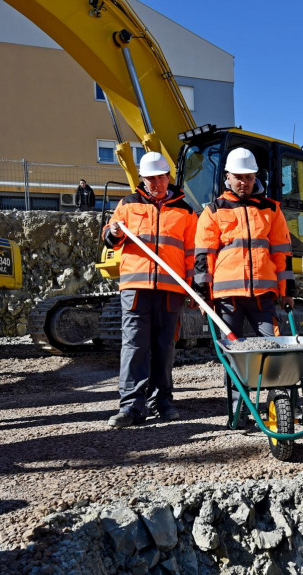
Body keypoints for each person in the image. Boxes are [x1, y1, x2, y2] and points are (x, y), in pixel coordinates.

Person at [193, 147, 295, 426]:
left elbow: (282, 254)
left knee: (275, 351)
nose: (244, 182)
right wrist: (205, 299)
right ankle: (238, 413)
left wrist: (287, 293)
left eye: (249, 177)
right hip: (227, 299)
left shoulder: (271, 210)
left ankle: (279, 407)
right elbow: (203, 259)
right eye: (239, 177)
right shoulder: (213, 211)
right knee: (234, 358)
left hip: (263, 296)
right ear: (227, 176)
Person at [103, 151, 197, 428]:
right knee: (134, 346)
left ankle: (163, 401)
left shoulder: (185, 210)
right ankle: (131, 407)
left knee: (164, 346)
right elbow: (109, 237)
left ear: (168, 176)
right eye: (150, 178)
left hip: (171, 289)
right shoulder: (128, 204)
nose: (155, 183)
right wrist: (115, 232)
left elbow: (192, 253)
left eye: (160, 177)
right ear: (142, 179)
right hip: (136, 287)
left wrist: (193, 288)